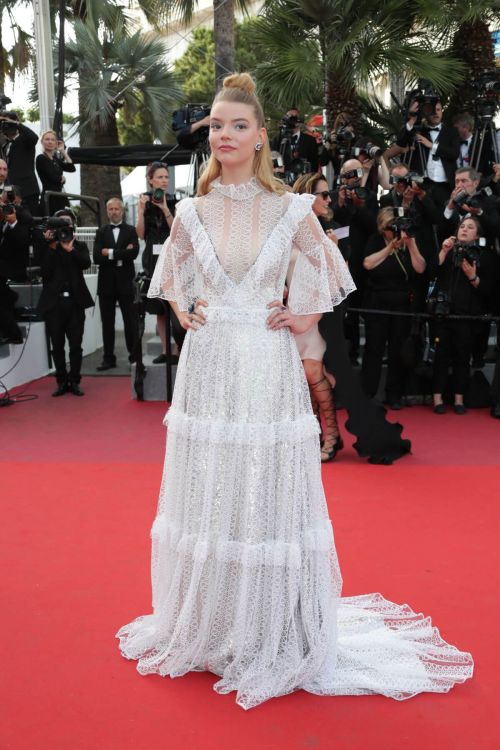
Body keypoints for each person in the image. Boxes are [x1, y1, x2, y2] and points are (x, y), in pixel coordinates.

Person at [116, 73, 472, 709]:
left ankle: (273, 624)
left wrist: (300, 316)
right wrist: (186, 305)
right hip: (210, 366)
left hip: (266, 362)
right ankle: (217, 621)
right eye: (217, 126)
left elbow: (328, 274)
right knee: (216, 482)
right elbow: (171, 275)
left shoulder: (291, 209)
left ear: (259, 140)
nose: (224, 135)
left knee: (263, 484)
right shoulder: (192, 210)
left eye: (238, 126)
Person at [291, 173, 343, 461]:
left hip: (318, 317)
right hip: (290, 314)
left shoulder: (327, 234)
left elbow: (339, 280)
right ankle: (314, 435)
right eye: (323, 195)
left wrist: (333, 249)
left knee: (313, 374)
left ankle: (332, 434)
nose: (328, 200)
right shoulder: (287, 232)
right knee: (303, 380)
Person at [361, 207, 427, 408]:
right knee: (374, 349)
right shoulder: (375, 240)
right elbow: (367, 264)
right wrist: (390, 247)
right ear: (383, 228)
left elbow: (420, 268)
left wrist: (411, 244)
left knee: (398, 350)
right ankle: (368, 394)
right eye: (391, 228)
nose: (394, 232)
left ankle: (394, 394)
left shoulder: (409, 242)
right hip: (378, 302)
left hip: (402, 304)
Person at [431, 215, 495, 414]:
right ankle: (437, 398)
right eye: (462, 226)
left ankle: (459, 399)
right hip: (444, 313)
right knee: (441, 357)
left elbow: (487, 290)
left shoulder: (483, 256)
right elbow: (432, 271)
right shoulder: (449, 249)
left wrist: (472, 277)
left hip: (468, 315)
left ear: (477, 235)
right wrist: (443, 250)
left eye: (470, 227)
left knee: (462, 357)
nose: (464, 230)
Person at [37, 210, 94, 396]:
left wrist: (71, 250)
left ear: (73, 225)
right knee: (57, 345)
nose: (64, 227)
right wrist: (52, 246)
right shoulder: (48, 246)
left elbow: (86, 263)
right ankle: (61, 381)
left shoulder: (79, 245)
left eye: (67, 223)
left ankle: (75, 381)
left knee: (76, 344)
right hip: (54, 304)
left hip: (76, 303)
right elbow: (44, 273)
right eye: (60, 223)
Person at [136, 161, 184, 363]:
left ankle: (178, 350)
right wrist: (140, 212)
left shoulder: (175, 202)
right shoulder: (144, 203)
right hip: (151, 261)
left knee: (175, 308)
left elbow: (178, 233)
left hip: (172, 260)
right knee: (159, 310)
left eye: (166, 177)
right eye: (160, 177)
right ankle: (166, 351)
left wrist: (165, 208)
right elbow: (140, 234)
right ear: (150, 180)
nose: (164, 181)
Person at [93, 198, 139, 370]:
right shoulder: (101, 231)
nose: (114, 212)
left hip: (126, 283)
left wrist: (110, 253)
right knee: (107, 322)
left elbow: (133, 254)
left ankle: (134, 358)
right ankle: (108, 358)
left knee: (130, 322)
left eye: (116, 209)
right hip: (106, 284)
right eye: (110, 209)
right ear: (107, 211)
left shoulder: (131, 230)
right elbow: (97, 257)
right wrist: (121, 253)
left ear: (122, 210)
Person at [0, 112, 39, 215]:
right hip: (10, 191)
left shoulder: (25, 140)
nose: (5, 125)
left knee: (31, 221)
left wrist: (16, 123)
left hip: (28, 191)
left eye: (7, 123)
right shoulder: (4, 144)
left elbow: (34, 137)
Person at [36, 130, 76, 214]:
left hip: (60, 196)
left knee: (66, 222)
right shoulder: (41, 158)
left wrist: (62, 151)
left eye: (52, 140)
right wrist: (63, 179)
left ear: (56, 143)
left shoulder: (55, 159)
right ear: (42, 142)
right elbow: (54, 178)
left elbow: (72, 168)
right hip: (49, 197)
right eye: (47, 139)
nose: (50, 142)